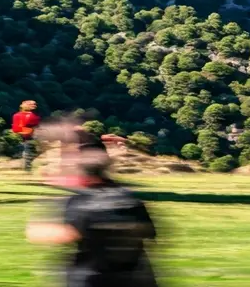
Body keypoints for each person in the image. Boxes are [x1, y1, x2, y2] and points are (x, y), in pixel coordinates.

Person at [27, 131, 158, 287]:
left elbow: (69, 233)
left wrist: (38, 230)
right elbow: (149, 232)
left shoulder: (82, 203)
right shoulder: (130, 198)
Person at [13, 100, 42, 172]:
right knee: (28, 153)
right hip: (24, 138)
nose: (34, 106)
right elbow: (16, 129)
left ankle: (26, 167)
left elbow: (37, 126)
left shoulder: (35, 116)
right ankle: (27, 169)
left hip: (33, 138)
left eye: (34, 104)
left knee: (36, 152)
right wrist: (29, 131)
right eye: (31, 104)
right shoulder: (18, 115)